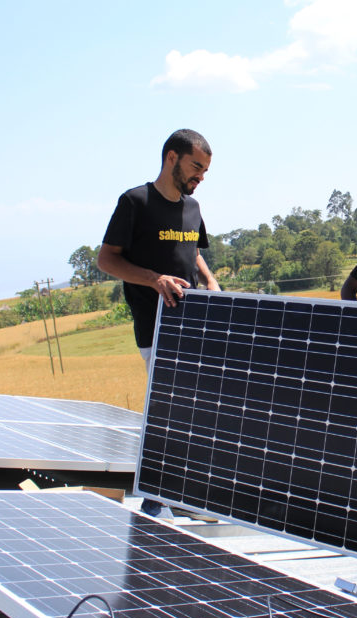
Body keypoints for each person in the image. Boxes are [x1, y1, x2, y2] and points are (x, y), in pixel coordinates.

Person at [98, 128, 221, 518]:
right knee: (171, 412)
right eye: (195, 167)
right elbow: (106, 260)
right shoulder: (135, 202)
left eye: (205, 171)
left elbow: (191, 250)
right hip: (155, 328)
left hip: (193, 326)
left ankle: (183, 496)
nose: (200, 176)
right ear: (172, 158)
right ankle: (157, 502)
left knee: (197, 411)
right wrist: (154, 280)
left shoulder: (192, 208)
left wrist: (211, 279)